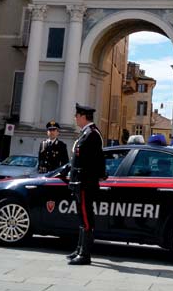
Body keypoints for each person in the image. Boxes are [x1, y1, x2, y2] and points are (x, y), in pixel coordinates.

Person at [66, 104, 106, 265]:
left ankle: (85, 254)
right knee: (82, 218)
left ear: (83, 116)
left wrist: (91, 177)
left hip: (85, 183)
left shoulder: (92, 134)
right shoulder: (85, 134)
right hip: (79, 182)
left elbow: (96, 160)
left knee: (86, 218)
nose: (75, 118)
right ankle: (80, 248)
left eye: (77, 115)